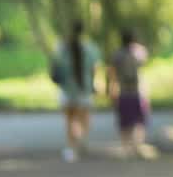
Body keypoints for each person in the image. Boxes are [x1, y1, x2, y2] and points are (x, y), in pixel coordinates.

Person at [51, 20, 101, 162]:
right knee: (84, 119)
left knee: (70, 121)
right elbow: (94, 68)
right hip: (84, 89)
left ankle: (71, 148)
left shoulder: (62, 47)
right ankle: (81, 139)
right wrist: (95, 84)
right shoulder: (90, 48)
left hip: (66, 90)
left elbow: (56, 66)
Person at [107, 28, 155, 159]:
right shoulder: (139, 52)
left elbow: (112, 75)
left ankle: (126, 147)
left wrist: (111, 91)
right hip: (138, 92)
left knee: (124, 121)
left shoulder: (117, 55)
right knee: (139, 121)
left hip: (123, 92)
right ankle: (137, 146)